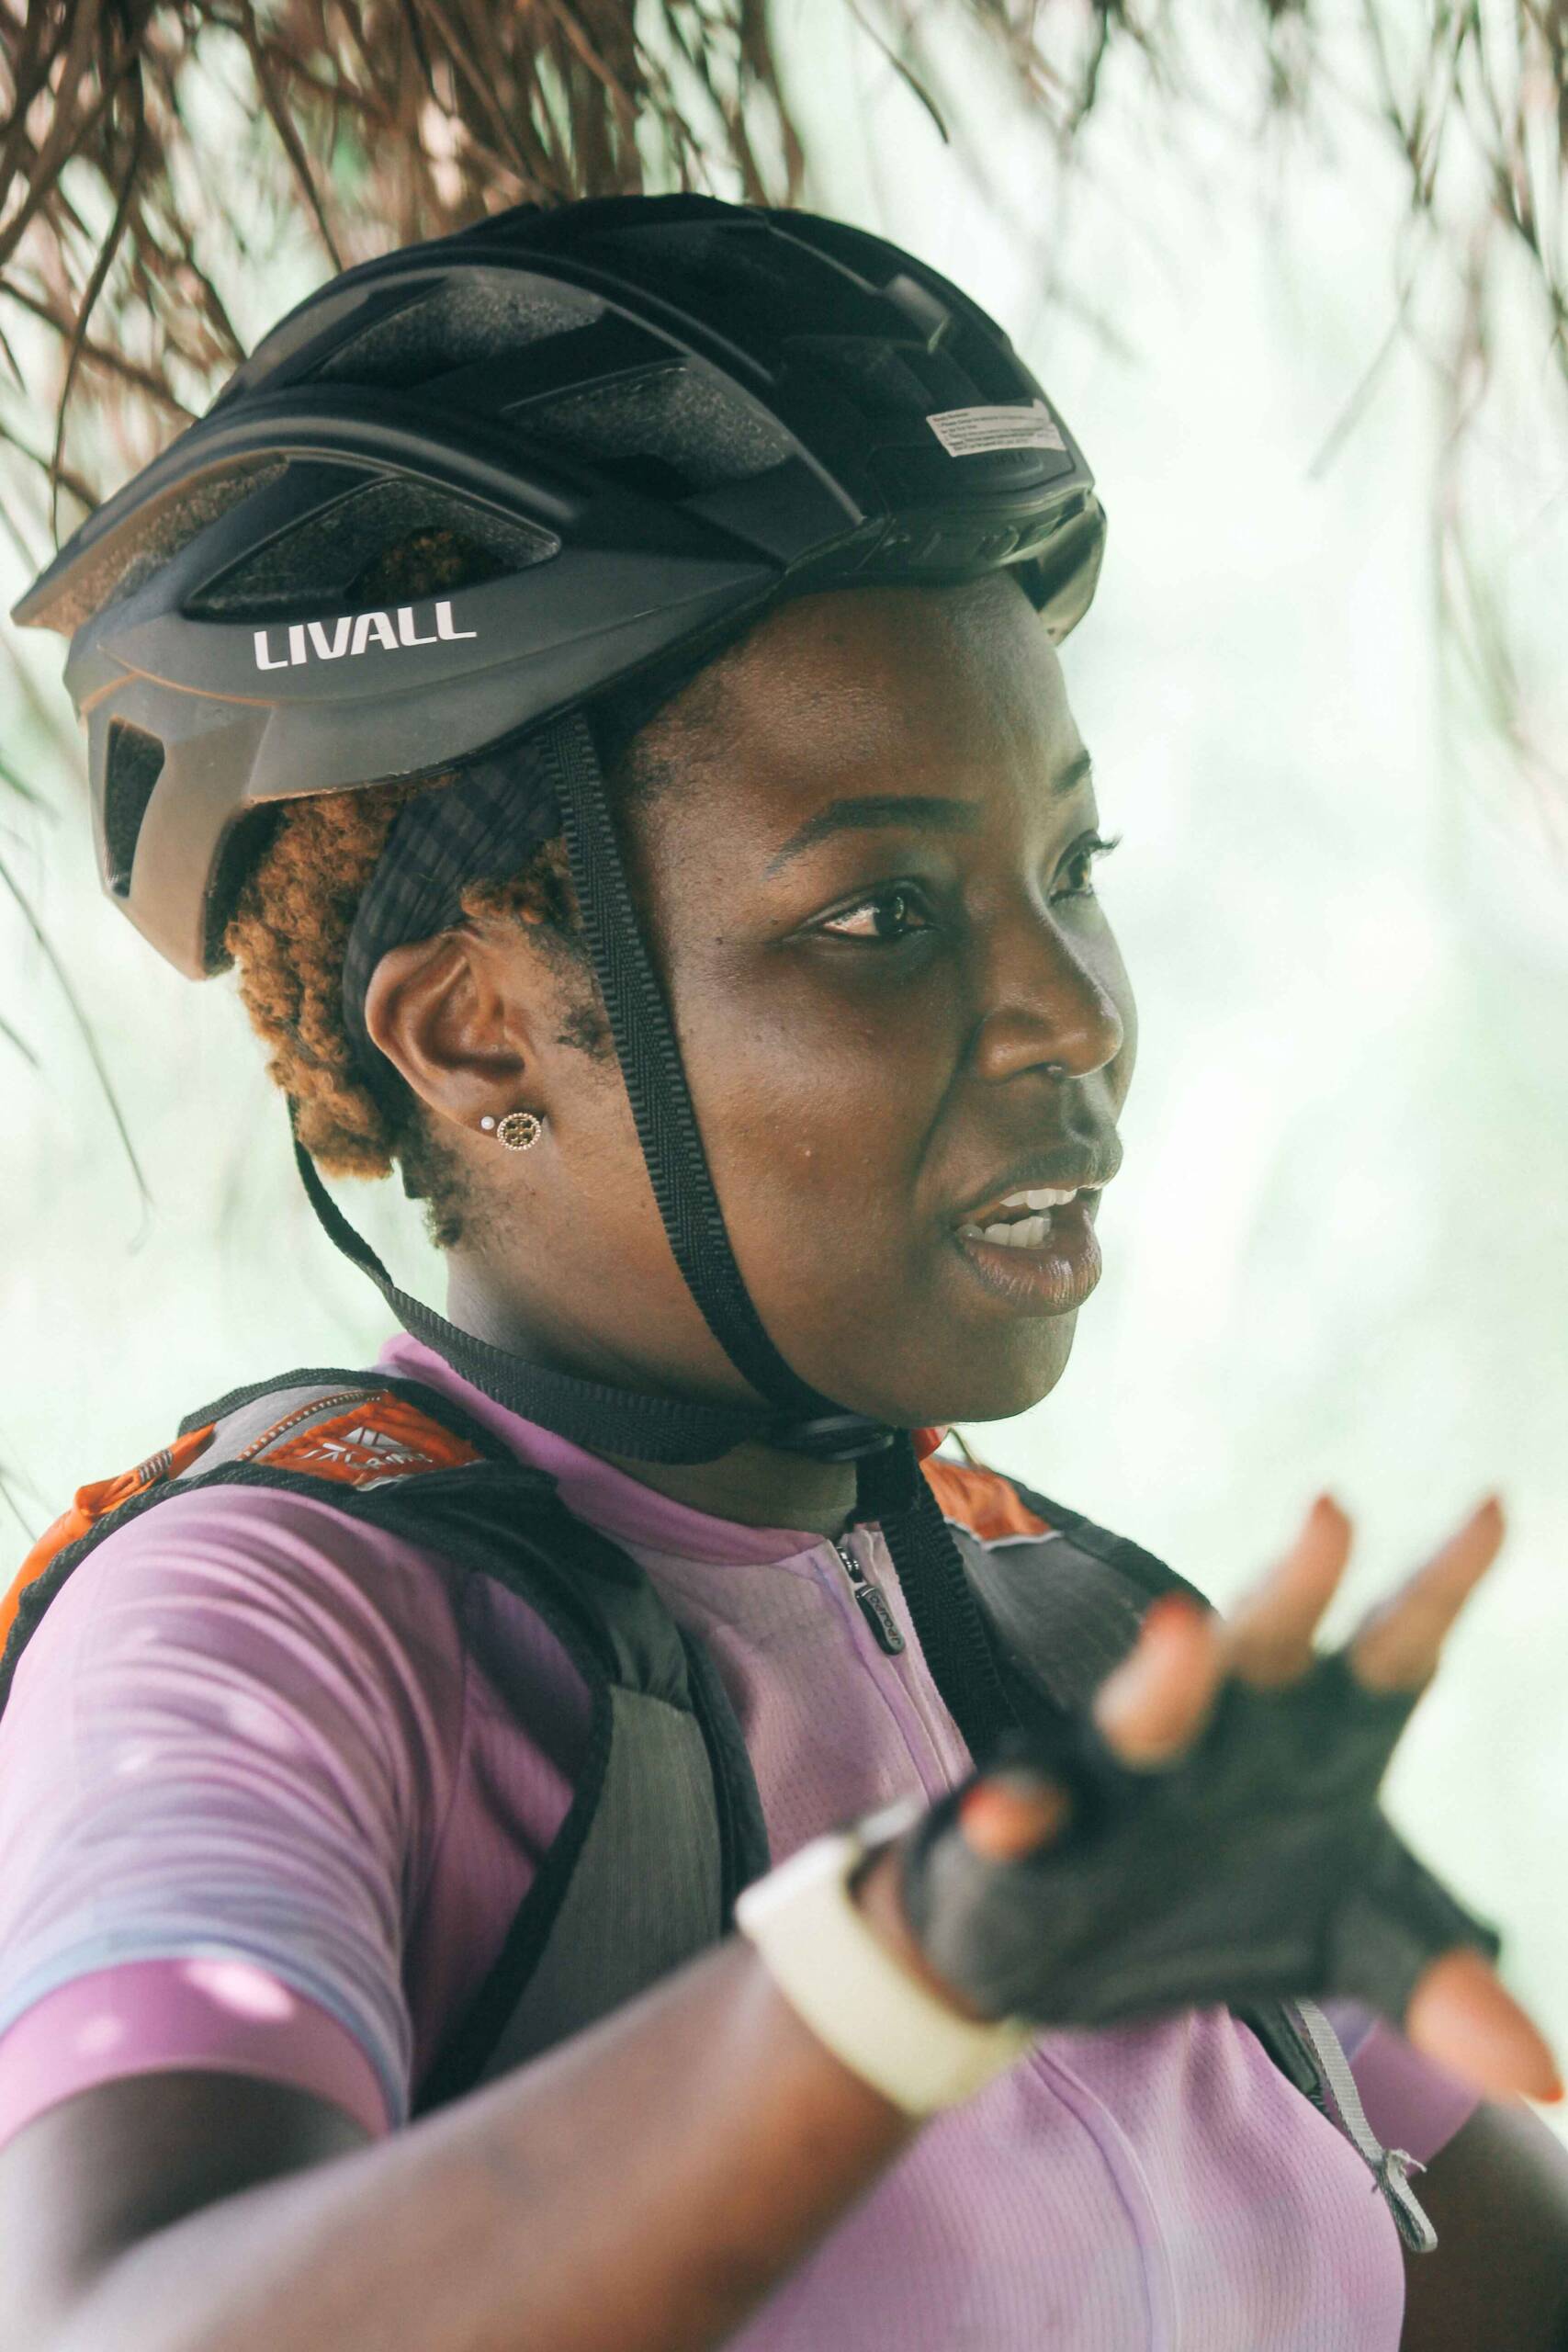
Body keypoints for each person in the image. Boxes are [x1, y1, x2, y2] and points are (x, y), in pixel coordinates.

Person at [0, 194, 1564, 2352]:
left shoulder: (1068, 1636)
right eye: (878, 916)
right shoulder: (272, 1625)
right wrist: (905, 1970)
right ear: (477, 1037)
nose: (1070, 1009)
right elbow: (114, 2321)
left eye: (1068, 867)